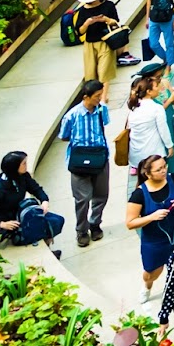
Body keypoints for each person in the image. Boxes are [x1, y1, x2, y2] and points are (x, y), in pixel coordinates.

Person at [125, 152, 174, 302]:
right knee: (152, 272)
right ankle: (147, 287)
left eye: (164, 167)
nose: (164, 171)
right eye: (159, 169)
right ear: (148, 174)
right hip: (154, 241)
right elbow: (130, 223)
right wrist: (151, 217)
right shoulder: (139, 194)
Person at [57, 78, 112, 246]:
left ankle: (95, 224)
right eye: (97, 96)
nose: (99, 99)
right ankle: (81, 230)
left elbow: (105, 125)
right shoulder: (71, 116)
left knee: (101, 194)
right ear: (86, 97)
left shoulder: (102, 110)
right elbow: (64, 136)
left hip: (100, 158)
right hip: (79, 161)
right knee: (82, 199)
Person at [0, 150, 65, 252]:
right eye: (24, 163)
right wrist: (1, 224)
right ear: (14, 167)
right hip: (12, 223)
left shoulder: (23, 176)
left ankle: (48, 246)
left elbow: (35, 189)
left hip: (23, 213)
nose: (26, 166)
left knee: (57, 221)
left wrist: (44, 200)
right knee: (47, 226)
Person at [127, 64, 174, 171]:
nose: (160, 84)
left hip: (139, 153)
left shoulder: (135, 106)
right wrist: (169, 146)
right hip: (154, 148)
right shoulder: (155, 108)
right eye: (158, 79)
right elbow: (163, 130)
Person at [73, 0, 122, 87]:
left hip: (106, 42)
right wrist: (87, 23)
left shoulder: (109, 5)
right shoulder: (83, 10)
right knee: (90, 73)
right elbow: (80, 31)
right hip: (90, 44)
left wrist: (105, 19)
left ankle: (104, 98)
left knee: (104, 72)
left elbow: (115, 22)